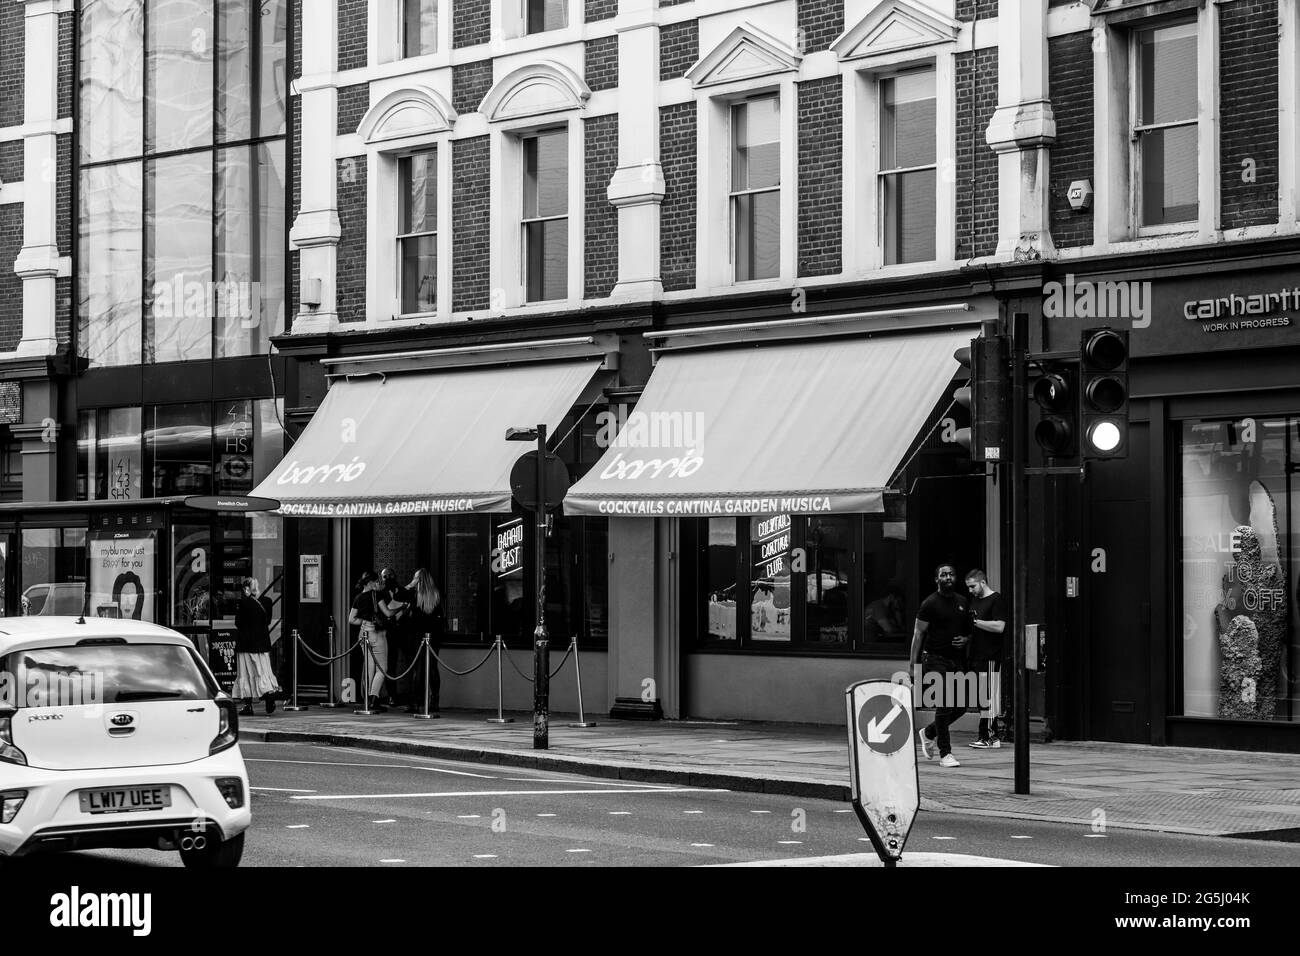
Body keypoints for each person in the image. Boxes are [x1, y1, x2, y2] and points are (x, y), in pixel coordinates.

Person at [909, 564, 970, 768]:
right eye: (943, 575)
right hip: (934, 658)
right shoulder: (930, 604)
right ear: (937, 579)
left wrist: (966, 639)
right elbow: (918, 635)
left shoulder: (962, 602)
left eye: (951, 574)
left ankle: (928, 732)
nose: (948, 577)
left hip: (955, 660)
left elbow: (968, 631)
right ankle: (946, 753)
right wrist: (912, 665)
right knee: (945, 702)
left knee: (960, 706)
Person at [965, 569, 1008, 749]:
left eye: (973, 586)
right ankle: (988, 736)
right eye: (968, 587)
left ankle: (990, 737)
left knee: (988, 696)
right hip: (976, 654)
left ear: (983, 582)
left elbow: (1000, 626)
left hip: (991, 655)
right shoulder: (975, 601)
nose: (971, 590)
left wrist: (975, 622)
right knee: (982, 696)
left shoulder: (996, 599)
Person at [399, 568, 446, 713]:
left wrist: (410, 584)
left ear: (417, 580)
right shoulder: (436, 594)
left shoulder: (414, 594)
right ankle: (434, 701)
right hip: (434, 636)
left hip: (418, 635)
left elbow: (398, 595)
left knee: (418, 669)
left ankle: (415, 702)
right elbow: (440, 616)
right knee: (432, 668)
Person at [233, 577, 282, 716]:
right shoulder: (267, 602)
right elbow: (267, 621)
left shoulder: (243, 603)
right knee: (263, 671)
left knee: (246, 673)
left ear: (247, 589)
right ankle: (268, 694)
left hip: (246, 644)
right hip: (262, 643)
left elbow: (238, 623)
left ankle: (248, 705)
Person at [348, 571, 390, 713]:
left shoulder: (358, 597)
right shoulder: (377, 595)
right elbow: (388, 613)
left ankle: (367, 700)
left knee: (369, 668)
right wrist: (402, 607)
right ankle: (374, 699)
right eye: (376, 581)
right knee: (382, 668)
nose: (378, 583)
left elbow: (351, 619)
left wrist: (365, 620)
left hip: (363, 633)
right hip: (375, 634)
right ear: (371, 582)